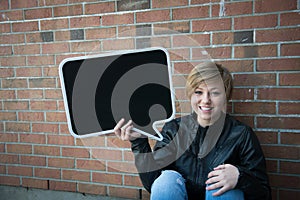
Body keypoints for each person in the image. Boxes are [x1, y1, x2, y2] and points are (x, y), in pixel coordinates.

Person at [114, 62, 271, 200]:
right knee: (166, 180)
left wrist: (240, 177)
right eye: (198, 92)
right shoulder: (174, 129)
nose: (206, 100)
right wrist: (139, 142)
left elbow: (263, 193)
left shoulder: (242, 134)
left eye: (215, 93)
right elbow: (154, 185)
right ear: (190, 94)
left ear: (226, 96)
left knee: (223, 187)